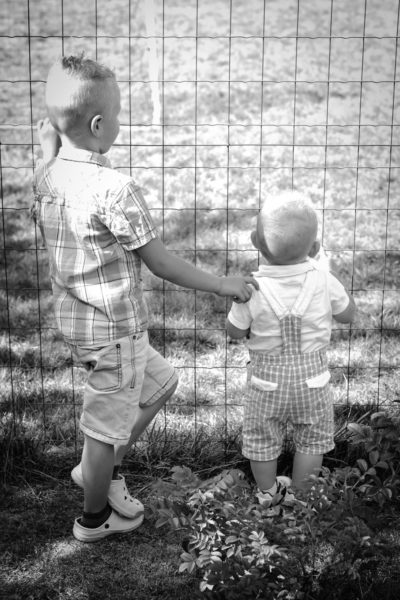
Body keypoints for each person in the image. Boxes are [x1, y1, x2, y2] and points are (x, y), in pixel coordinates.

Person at [32, 54, 257, 542]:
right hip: (114, 332)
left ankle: (100, 468)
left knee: (161, 382)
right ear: (97, 123)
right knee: (102, 429)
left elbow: (48, 152)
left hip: (85, 325)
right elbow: (158, 260)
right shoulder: (116, 189)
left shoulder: (49, 176)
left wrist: (51, 139)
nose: (119, 123)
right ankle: (94, 519)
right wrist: (221, 284)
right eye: (115, 116)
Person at [226, 191, 356, 508]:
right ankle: (300, 495)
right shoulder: (324, 279)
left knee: (262, 437)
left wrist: (238, 304)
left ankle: (269, 493)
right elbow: (348, 315)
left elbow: (234, 331)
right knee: (312, 439)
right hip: (313, 381)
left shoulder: (251, 287)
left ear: (256, 241)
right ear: (314, 248)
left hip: (266, 383)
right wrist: (326, 272)